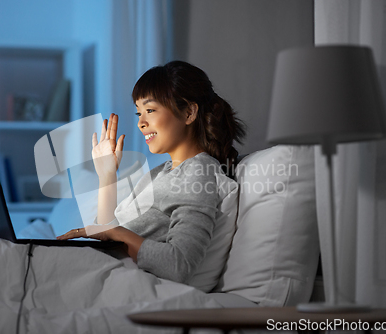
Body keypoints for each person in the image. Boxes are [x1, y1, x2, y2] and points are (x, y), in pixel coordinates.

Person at [57, 60, 245, 287]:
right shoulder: (160, 172)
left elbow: (179, 265)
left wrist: (114, 233)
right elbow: (110, 234)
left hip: (114, 282)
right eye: (139, 113)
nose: (141, 123)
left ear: (189, 112)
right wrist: (107, 175)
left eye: (150, 110)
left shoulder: (198, 171)